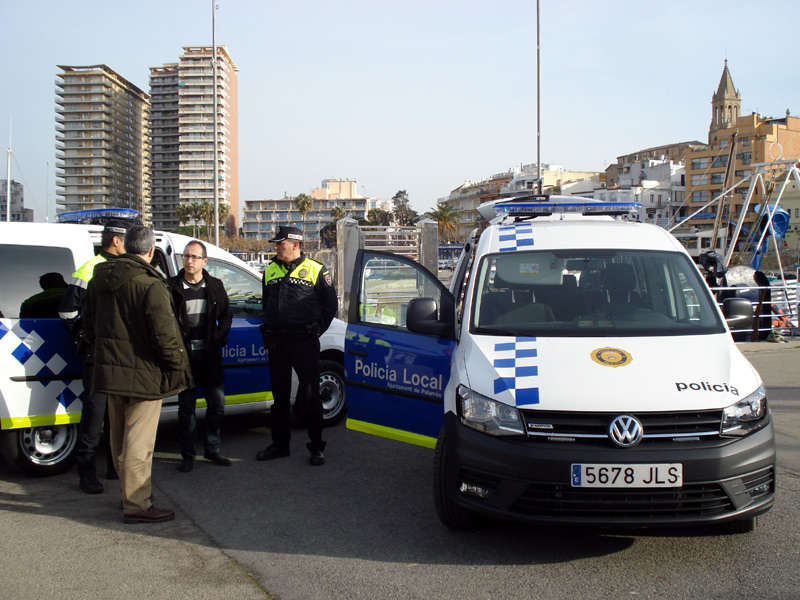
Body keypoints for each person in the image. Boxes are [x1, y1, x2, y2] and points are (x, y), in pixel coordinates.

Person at [83, 225, 192, 524]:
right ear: (151, 252)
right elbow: (165, 335)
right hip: (144, 375)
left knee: (118, 441)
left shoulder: (99, 279)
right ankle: (137, 504)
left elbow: (89, 326)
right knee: (139, 445)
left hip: (110, 372)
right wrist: (177, 367)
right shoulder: (149, 283)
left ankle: (128, 496)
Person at [256, 226, 337, 466]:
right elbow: (266, 303)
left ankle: (316, 448)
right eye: (276, 244)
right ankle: (280, 445)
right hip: (277, 342)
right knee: (279, 398)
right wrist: (269, 328)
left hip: (304, 341)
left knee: (311, 396)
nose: (276, 247)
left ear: (295, 244)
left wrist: (316, 330)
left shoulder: (316, 270)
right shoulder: (270, 270)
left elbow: (330, 306)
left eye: (280, 243)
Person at [59, 220, 128, 494]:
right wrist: (86, 337)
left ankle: (113, 466)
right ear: (116, 241)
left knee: (116, 414)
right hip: (97, 356)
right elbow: (67, 312)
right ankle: (86, 472)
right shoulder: (90, 268)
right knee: (94, 415)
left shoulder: (121, 268)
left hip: (118, 355)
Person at [168, 240, 233, 473]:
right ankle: (188, 455)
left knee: (217, 404)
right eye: (186, 256)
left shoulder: (215, 286)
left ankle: (212, 449)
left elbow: (226, 316)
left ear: (204, 261)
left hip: (209, 356)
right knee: (186, 409)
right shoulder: (172, 287)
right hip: (184, 359)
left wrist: (218, 338)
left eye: (195, 257)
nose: (189, 261)